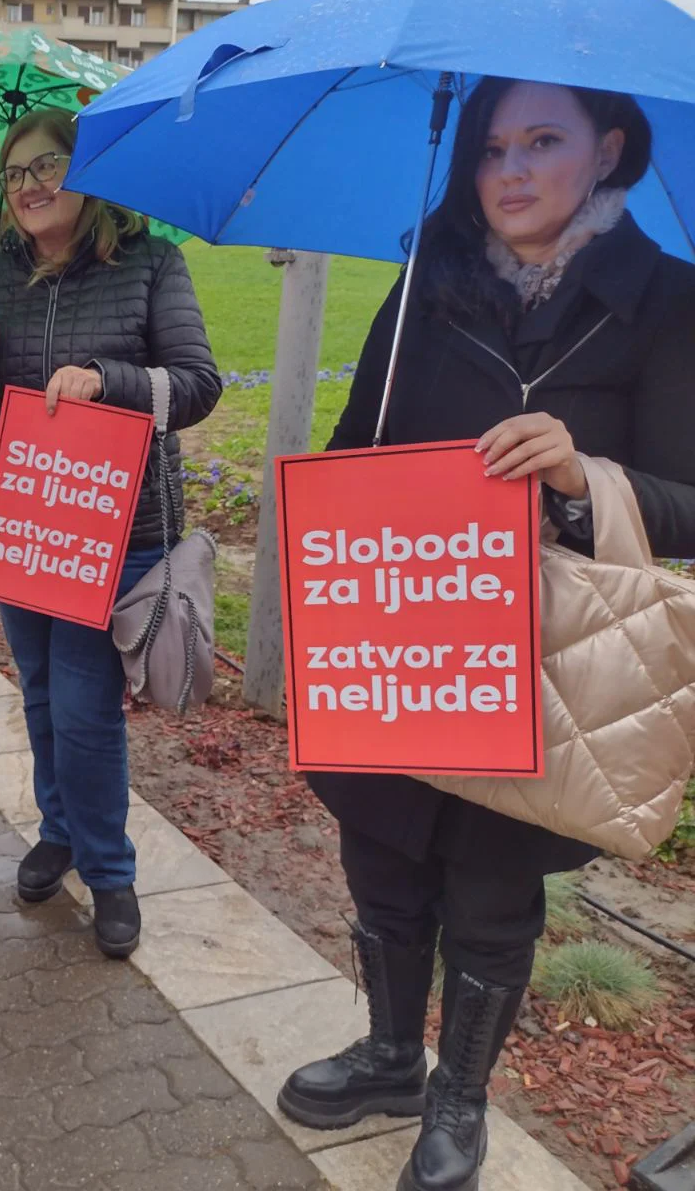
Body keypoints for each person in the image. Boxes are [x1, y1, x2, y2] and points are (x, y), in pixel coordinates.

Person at [276, 79, 695, 1191]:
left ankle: (456, 1100)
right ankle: (385, 1054)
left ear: (607, 149)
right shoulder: (424, 287)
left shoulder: (662, 301)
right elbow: (349, 446)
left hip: (541, 666)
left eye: (542, 142)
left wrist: (580, 478)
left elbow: (690, 500)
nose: (509, 170)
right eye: (491, 147)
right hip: (403, 640)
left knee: (490, 887)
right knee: (379, 858)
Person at [0, 108, 222, 958]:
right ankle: (59, 831)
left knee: (89, 707)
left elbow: (198, 388)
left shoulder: (149, 265)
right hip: (22, 521)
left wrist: (109, 380)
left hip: (116, 525)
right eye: (15, 174)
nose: (30, 186)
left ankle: (109, 869)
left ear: (88, 173)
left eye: (47, 165)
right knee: (43, 692)